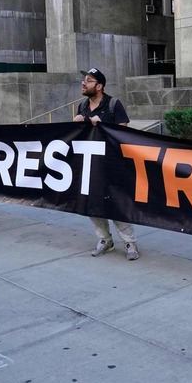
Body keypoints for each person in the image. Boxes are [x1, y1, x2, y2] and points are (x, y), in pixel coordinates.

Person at [73, 68, 140, 261]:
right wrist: (76, 124)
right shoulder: (82, 106)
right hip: (90, 165)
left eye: (88, 81)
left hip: (112, 165)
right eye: (83, 80)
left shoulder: (113, 104)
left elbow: (123, 132)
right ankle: (104, 240)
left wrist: (102, 124)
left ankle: (130, 242)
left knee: (116, 203)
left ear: (99, 86)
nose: (83, 84)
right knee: (92, 205)